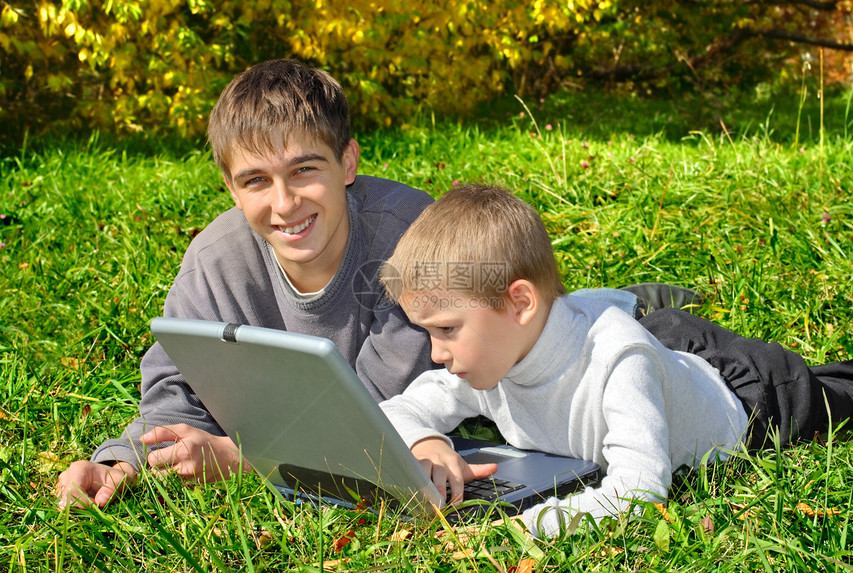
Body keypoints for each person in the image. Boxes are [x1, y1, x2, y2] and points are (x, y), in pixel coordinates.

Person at [55, 59, 645, 508]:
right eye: (255, 180)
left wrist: (245, 459)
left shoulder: (410, 246)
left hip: (543, 341)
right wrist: (120, 465)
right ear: (231, 189)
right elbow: (174, 389)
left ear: (349, 164)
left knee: (613, 328)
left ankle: (637, 302)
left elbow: (373, 413)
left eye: (305, 170)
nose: (283, 204)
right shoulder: (215, 260)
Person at [378, 183, 853, 538]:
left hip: (744, 395)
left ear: (520, 303)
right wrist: (424, 441)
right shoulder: (484, 360)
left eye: (446, 330)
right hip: (654, 351)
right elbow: (396, 410)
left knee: (839, 394)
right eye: (428, 333)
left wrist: (518, 529)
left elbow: (641, 489)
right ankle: (649, 310)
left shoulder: (618, 360)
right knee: (653, 338)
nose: (436, 354)